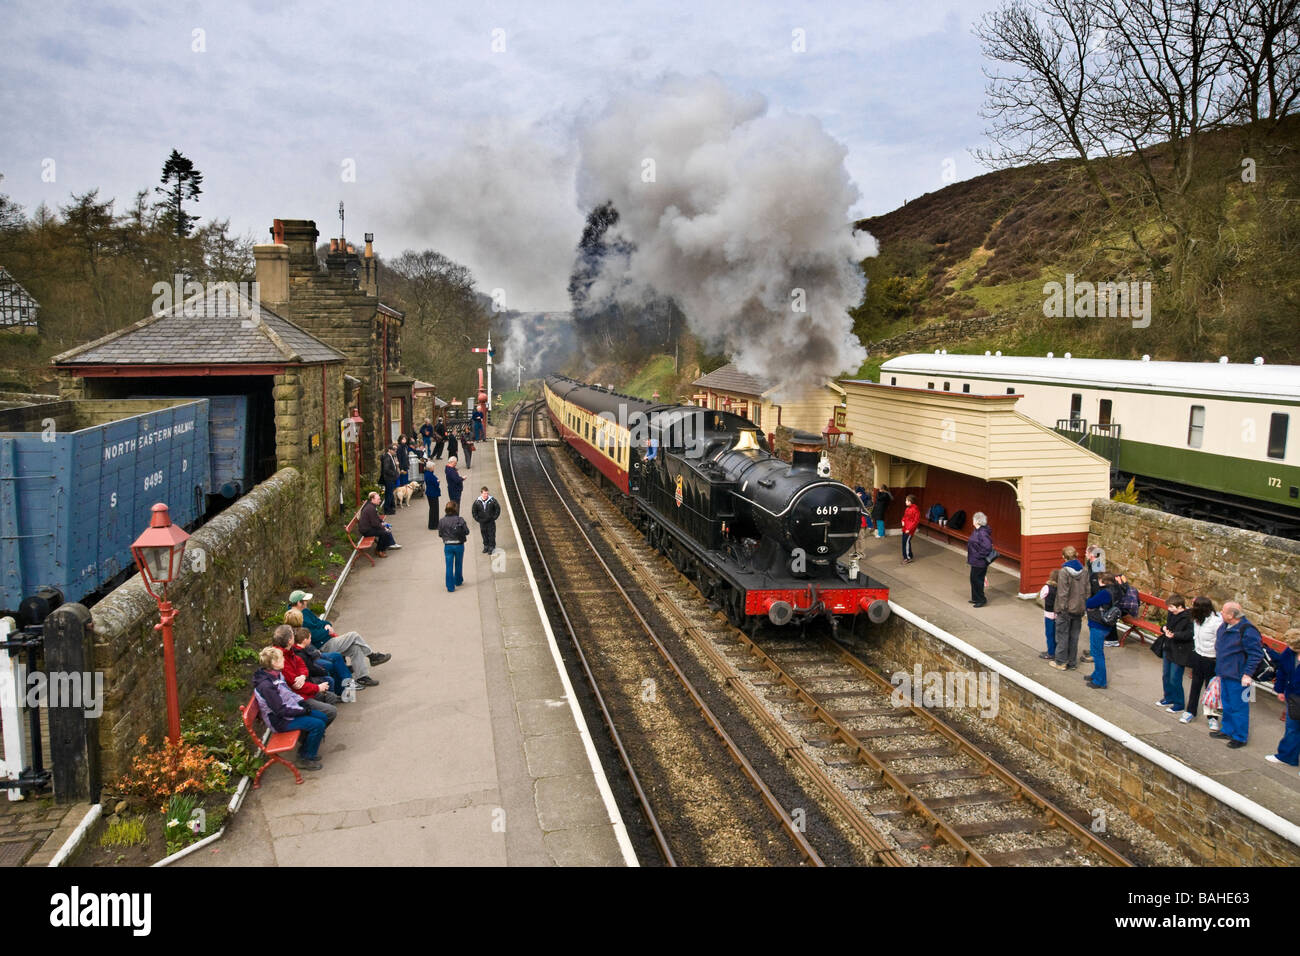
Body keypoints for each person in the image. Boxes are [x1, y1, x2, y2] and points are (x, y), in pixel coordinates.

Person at [287, 589, 389, 687]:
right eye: (305, 601)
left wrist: (327, 625)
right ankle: (372, 656)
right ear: (299, 603)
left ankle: (362, 677)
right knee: (354, 635)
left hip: (328, 641)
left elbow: (321, 622)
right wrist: (326, 630)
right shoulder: (297, 617)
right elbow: (313, 636)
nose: (307, 602)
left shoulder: (305, 611)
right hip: (324, 645)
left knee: (355, 648)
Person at [252, 646, 328, 771]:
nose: (283, 660)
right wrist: (303, 711)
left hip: (290, 711)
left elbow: (289, 693)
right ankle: (305, 758)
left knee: (323, 717)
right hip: (280, 721)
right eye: (281, 658)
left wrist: (301, 702)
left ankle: (306, 747)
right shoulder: (266, 686)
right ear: (274, 663)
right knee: (318, 724)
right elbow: (280, 711)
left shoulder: (276, 674)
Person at [1213, 601, 1264, 748]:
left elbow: (1256, 654)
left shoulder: (1248, 631)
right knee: (1227, 704)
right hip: (1226, 673)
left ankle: (1240, 737)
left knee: (1240, 707)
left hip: (1240, 677)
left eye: (1223, 611)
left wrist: (1248, 674)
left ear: (1231, 615)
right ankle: (1227, 730)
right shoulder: (1225, 626)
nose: (1220, 613)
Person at [271, 625, 339, 723]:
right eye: (293, 634)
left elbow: (301, 664)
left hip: (303, 689)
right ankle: (313, 731)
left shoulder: (289, 651)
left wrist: (303, 676)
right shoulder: (281, 659)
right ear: (290, 640)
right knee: (331, 711)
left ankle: (319, 723)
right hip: (298, 697)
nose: (295, 636)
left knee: (331, 696)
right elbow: (297, 686)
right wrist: (317, 688)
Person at [1181, 596, 1221, 725]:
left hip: (1211, 658)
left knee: (1211, 688)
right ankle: (1190, 711)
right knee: (1195, 684)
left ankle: (1212, 717)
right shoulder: (1197, 619)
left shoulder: (1216, 622)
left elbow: (1220, 641)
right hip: (1198, 656)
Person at [1266, 629, 1300, 772]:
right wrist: (1280, 690)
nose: (1290, 648)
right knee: (1292, 728)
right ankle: (1287, 757)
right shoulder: (1288, 653)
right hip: (1293, 697)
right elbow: (1282, 672)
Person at [1052, 547, 1088, 671]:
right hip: (1079, 608)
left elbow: (1063, 593)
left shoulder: (1064, 572)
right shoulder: (1084, 571)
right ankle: (1072, 663)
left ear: (1064, 557)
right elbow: (1087, 591)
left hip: (1066, 609)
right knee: (1074, 637)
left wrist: (1061, 609)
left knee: (1062, 635)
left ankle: (1061, 662)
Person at [1157, 594, 1194, 714]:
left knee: (1175, 678)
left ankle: (1179, 703)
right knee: (1166, 675)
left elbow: (1190, 634)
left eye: (1172, 607)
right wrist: (1164, 628)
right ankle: (1169, 698)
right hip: (1169, 647)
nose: (1169, 609)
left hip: (1180, 651)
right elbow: (1166, 625)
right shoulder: (1171, 614)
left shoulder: (1189, 618)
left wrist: (1175, 635)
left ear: (1180, 606)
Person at [1083, 572, 1121, 689]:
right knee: (1097, 651)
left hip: (1098, 625)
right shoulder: (1115, 590)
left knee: (1097, 653)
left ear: (1103, 581)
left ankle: (1100, 681)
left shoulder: (1105, 593)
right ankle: (1096, 674)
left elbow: (1089, 603)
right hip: (1106, 624)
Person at [293, 625, 353, 696]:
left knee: (336, 658)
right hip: (311, 670)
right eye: (310, 638)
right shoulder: (300, 654)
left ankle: (346, 686)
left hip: (314, 659)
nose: (311, 640)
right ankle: (341, 690)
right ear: (305, 640)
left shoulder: (301, 648)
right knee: (329, 668)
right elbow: (311, 668)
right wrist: (323, 671)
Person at [438, 500, 470, 592]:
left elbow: (440, 534)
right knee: (458, 563)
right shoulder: (460, 520)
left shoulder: (442, 521)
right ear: (455, 509)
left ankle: (450, 587)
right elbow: (467, 532)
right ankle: (458, 580)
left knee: (449, 566)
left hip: (448, 546)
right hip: (459, 545)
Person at [360, 490, 400, 557]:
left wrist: (382, 522)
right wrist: (384, 527)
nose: (380, 500)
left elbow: (376, 518)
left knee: (384, 531)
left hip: (368, 527)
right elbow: (375, 523)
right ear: (372, 499)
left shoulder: (371, 505)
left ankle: (384, 546)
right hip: (366, 530)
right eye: (378, 499)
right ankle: (379, 550)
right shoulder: (370, 508)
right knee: (384, 533)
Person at [965, 511, 993, 608]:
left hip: (979, 562)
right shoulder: (977, 530)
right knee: (973, 579)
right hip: (975, 561)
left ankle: (981, 599)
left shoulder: (982, 533)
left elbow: (987, 547)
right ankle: (976, 598)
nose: (972, 521)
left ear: (977, 521)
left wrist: (978, 555)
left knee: (978, 580)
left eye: (973, 519)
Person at [471, 486, 501, 553]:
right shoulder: (477, 502)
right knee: (484, 534)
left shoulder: (492, 501)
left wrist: (494, 517)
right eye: (484, 493)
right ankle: (486, 546)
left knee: (491, 534)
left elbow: (497, 509)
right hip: (482, 522)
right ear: (481, 493)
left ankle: (491, 546)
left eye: (487, 493)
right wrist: (478, 519)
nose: (486, 495)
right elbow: (474, 512)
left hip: (490, 521)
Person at [1038, 569, 1059, 661]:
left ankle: (1051, 653)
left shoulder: (1047, 587)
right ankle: (1057, 651)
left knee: (1049, 634)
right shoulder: (1062, 587)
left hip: (1049, 613)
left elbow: (1042, 596)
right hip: (1059, 614)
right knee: (1057, 634)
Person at [423, 457, 443, 531]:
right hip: (432, 493)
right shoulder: (429, 475)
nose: (434, 468)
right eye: (433, 467)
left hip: (431, 493)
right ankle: (433, 525)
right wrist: (438, 481)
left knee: (433, 509)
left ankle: (433, 524)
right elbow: (435, 483)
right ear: (430, 468)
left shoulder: (428, 474)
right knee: (434, 509)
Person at [900, 494, 920, 564]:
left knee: (906, 542)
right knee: (904, 542)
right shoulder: (907, 508)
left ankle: (907, 558)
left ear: (910, 501)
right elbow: (904, 517)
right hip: (905, 528)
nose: (905, 502)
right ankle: (909, 555)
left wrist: (910, 529)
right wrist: (902, 520)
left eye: (907, 501)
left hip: (909, 530)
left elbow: (916, 521)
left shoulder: (915, 510)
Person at [380, 445, 399, 514]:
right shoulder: (387, 457)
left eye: (395, 450)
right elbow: (386, 469)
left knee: (390, 493)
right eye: (394, 450)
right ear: (389, 450)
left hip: (391, 478)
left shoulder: (391, 456)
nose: (395, 451)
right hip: (388, 479)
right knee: (389, 494)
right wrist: (394, 473)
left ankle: (391, 508)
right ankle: (387, 509)